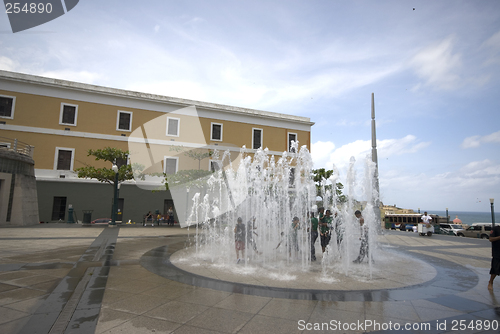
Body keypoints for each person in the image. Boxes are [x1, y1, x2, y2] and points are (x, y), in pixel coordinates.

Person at [488, 225, 500, 290]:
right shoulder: (495, 229)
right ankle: (491, 282)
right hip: (497, 253)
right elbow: (490, 239)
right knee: (495, 269)